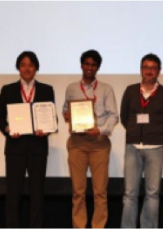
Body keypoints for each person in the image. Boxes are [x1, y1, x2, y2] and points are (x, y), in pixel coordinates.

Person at [0, 51, 56, 229]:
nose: (27, 68)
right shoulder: (8, 90)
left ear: (36, 67)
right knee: (13, 195)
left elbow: (53, 119)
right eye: (23, 64)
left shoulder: (46, 89)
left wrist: (48, 129)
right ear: (18, 68)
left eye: (30, 65)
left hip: (38, 148)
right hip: (15, 147)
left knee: (37, 195)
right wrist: (7, 129)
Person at [120, 53, 163, 229]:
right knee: (130, 194)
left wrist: (158, 134)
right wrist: (133, 132)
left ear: (159, 71)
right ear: (141, 70)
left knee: (152, 194)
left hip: (155, 148)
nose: (149, 71)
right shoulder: (130, 90)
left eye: (153, 68)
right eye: (146, 67)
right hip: (133, 147)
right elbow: (124, 117)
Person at [62, 50, 119, 229]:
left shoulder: (106, 89)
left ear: (98, 68)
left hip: (99, 145)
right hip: (77, 143)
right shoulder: (71, 88)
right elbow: (65, 110)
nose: (89, 67)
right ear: (81, 65)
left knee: (100, 191)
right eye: (86, 64)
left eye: (93, 65)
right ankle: (79, 226)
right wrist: (68, 116)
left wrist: (101, 130)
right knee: (78, 191)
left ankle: (98, 227)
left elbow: (113, 116)